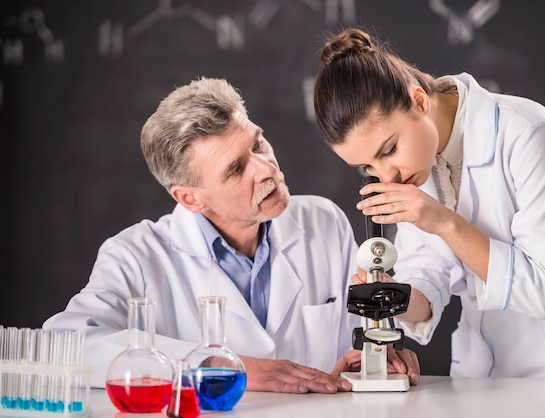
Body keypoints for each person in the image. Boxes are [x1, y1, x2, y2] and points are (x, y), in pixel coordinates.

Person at [43, 77, 419, 392]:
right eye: (236, 169)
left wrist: (372, 357)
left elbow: (355, 338)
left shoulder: (323, 222)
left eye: (257, 144)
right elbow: (66, 345)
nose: (265, 168)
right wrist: (217, 366)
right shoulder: (136, 256)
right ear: (190, 198)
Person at [313, 27, 545, 380]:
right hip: (484, 376)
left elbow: (544, 288)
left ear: (419, 101)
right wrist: (391, 295)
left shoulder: (531, 135)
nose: (387, 176)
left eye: (389, 150)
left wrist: (444, 222)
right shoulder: (419, 166)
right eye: (369, 166)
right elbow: (430, 277)